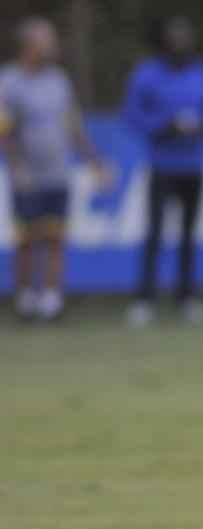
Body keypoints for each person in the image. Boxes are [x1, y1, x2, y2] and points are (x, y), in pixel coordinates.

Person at [123, 16, 203, 327]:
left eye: (184, 39)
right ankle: (144, 300)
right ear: (164, 43)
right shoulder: (148, 75)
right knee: (154, 232)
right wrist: (164, 126)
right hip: (162, 165)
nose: (179, 45)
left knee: (188, 235)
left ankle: (187, 298)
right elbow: (133, 115)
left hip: (194, 165)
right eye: (174, 39)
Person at [0, 17, 104, 322]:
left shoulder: (59, 80)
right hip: (28, 173)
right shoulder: (9, 80)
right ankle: (25, 299)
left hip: (58, 171)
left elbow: (73, 125)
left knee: (56, 236)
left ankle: (52, 299)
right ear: (30, 45)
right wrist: (17, 167)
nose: (52, 46)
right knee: (27, 239)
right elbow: (5, 131)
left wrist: (94, 161)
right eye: (46, 40)